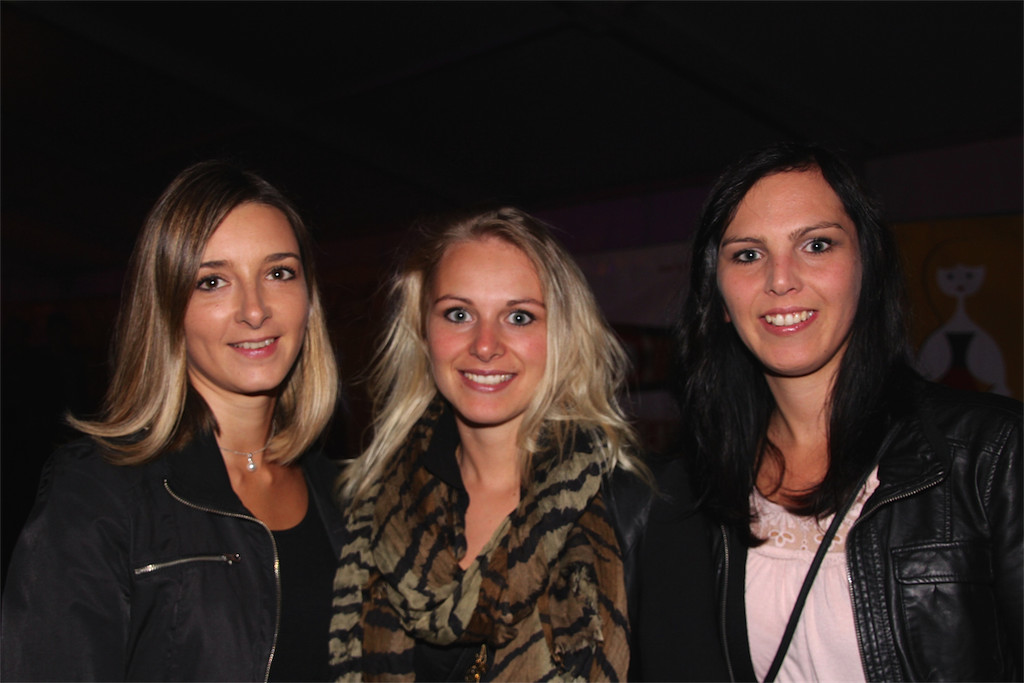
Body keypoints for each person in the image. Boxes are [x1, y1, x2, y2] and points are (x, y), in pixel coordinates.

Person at [637, 142, 1022, 681]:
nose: (780, 279)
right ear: (719, 296)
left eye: (816, 244)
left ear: (869, 266)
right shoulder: (690, 496)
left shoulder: (992, 455)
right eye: (748, 254)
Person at [1, 161, 345, 681]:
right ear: (166, 306)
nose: (255, 310)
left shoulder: (343, 494)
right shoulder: (98, 493)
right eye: (212, 281)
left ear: (309, 298)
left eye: (279, 273)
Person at [328, 207, 653, 681]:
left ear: (562, 333)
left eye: (519, 317)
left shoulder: (632, 509)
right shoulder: (369, 506)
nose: (485, 345)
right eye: (458, 314)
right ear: (423, 331)